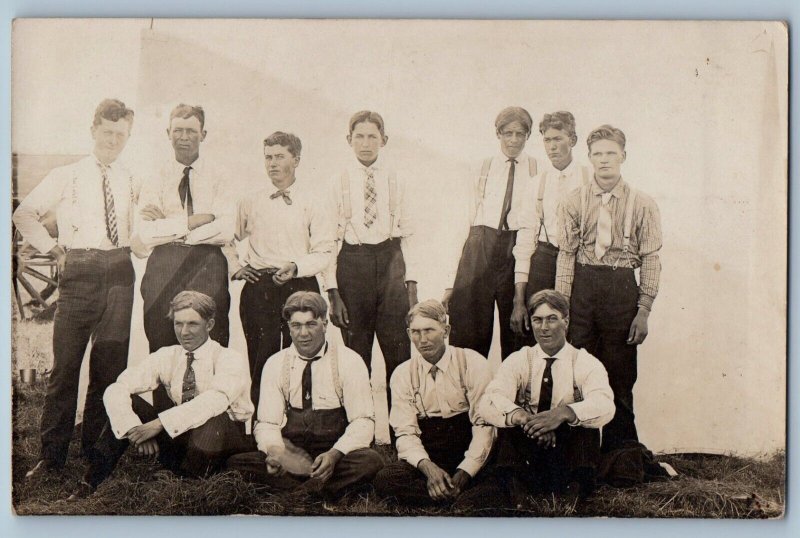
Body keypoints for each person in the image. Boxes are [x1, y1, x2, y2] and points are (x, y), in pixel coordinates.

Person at [14, 99, 140, 478]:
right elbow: (23, 213)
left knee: (108, 366)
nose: (113, 140)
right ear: (93, 131)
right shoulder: (66, 174)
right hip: (80, 267)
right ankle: (51, 459)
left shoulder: (132, 178)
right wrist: (53, 249)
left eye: (121, 134)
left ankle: (94, 455)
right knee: (66, 366)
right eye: (107, 132)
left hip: (120, 269)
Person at [67, 291, 254, 499]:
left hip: (223, 442)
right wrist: (134, 429)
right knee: (127, 401)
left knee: (213, 417)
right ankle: (89, 482)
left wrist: (156, 425)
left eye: (193, 324)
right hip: (182, 437)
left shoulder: (229, 358)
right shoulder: (168, 355)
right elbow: (117, 387)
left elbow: (214, 401)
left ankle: (186, 487)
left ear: (209, 325)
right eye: (178, 324)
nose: (184, 332)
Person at [555, 124, 662, 451]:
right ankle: (579, 461)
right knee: (577, 377)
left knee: (620, 377)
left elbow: (652, 259)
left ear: (623, 156)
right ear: (589, 157)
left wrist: (643, 311)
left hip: (620, 290)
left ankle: (621, 460)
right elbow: (566, 256)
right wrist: (563, 308)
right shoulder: (573, 200)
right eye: (597, 154)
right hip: (583, 289)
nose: (604, 160)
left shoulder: (643, 203)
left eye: (611, 153)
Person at [225, 292, 384, 500]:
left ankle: (296, 493)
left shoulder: (350, 361)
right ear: (288, 327)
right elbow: (267, 423)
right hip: (293, 454)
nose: (303, 333)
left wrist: (335, 455)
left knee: (371, 461)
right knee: (237, 463)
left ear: (325, 324)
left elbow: (363, 421)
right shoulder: (275, 363)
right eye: (296, 326)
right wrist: (276, 453)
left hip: (334, 452)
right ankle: (318, 491)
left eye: (311, 324)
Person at [478, 289, 615, 503]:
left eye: (552, 319)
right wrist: (524, 418)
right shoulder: (520, 358)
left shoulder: (584, 361)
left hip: (566, 447)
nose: (544, 328)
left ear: (566, 321)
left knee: (586, 429)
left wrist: (563, 413)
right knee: (508, 424)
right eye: (537, 320)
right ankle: (519, 497)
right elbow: (488, 401)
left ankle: (572, 496)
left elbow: (605, 404)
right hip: (530, 442)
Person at [233, 131, 335, 414]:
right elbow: (227, 237)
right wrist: (237, 267)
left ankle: (304, 425)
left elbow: (324, 251)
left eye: (280, 157)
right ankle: (262, 428)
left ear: (297, 159)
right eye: (268, 158)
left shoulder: (313, 201)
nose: (272, 164)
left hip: (300, 286)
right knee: (261, 358)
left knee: (304, 355)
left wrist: (297, 267)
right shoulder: (250, 200)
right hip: (260, 287)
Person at [326, 110, 419, 414]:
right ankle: (359, 427)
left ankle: (401, 430)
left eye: (372, 137)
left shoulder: (399, 179)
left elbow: (411, 235)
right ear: (349, 140)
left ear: (384, 140)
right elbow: (329, 241)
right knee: (356, 354)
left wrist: (411, 285)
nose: (366, 144)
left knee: (398, 352)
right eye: (359, 137)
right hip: (353, 264)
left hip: (391, 263)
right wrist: (333, 292)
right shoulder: (336, 181)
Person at [373, 300, 495, 506]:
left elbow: (484, 426)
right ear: (408, 333)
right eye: (415, 332)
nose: (422, 340)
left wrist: (465, 472)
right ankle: (454, 496)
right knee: (385, 479)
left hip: (468, 441)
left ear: (446, 330)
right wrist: (429, 469)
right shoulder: (403, 373)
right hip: (430, 449)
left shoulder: (472, 362)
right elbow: (405, 433)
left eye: (429, 330)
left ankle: (452, 491)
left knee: (498, 473)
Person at [444, 106, 539, 360]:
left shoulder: (536, 170)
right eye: (508, 133)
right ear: (498, 134)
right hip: (479, 250)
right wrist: (450, 282)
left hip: (516, 249)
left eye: (520, 134)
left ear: (528, 135)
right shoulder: (481, 168)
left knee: (519, 333)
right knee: (469, 337)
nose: (514, 140)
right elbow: (461, 224)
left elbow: (532, 226)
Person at [137, 104, 233, 354]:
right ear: (168, 133)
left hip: (207, 263)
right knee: (162, 343)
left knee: (211, 343)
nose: (184, 137)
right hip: (163, 265)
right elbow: (146, 233)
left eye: (191, 131)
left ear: (203, 134)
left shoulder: (221, 176)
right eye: (178, 130)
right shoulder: (154, 177)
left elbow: (225, 229)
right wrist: (194, 221)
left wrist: (169, 227)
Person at [510, 111, 590, 344]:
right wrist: (518, 300)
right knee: (539, 332)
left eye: (558, 139)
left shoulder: (589, 178)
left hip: (580, 260)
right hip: (544, 261)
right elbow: (525, 242)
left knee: (577, 331)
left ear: (573, 140)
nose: (552, 146)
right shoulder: (537, 184)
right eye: (547, 140)